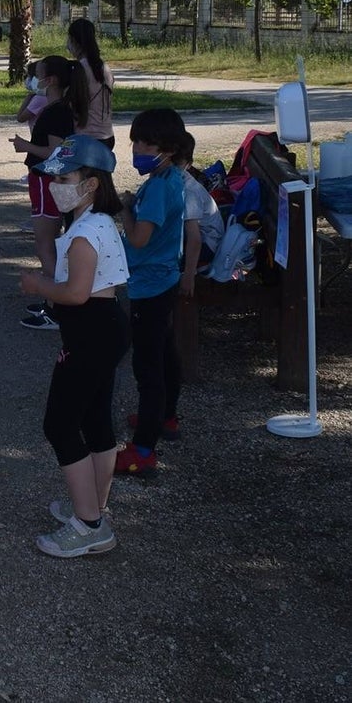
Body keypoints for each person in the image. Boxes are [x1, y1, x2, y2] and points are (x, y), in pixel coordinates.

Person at [18, 135, 129, 557]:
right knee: (97, 421)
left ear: (92, 184)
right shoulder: (95, 223)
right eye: (53, 178)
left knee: (60, 424)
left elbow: (77, 293)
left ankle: (88, 524)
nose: (55, 185)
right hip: (104, 330)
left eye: (64, 177)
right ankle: (93, 507)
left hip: (91, 334)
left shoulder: (85, 232)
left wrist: (39, 284)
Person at [116, 109, 187, 475]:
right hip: (163, 279)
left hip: (149, 284)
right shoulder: (169, 177)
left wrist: (126, 209)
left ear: (169, 149)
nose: (138, 148)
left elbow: (139, 239)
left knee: (148, 367)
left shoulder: (160, 186)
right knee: (164, 351)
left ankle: (143, 449)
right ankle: (166, 416)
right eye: (136, 141)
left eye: (147, 143)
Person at [12, 56, 89, 331]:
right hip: (44, 181)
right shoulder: (58, 108)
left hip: (47, 182)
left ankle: (58, 309)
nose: (34, 79)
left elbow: (56, 153)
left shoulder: (57, 111)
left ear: (51, 80)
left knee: (45, 246)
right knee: (49, 244)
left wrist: (26, 146)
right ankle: (53, 300)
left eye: (39, 75)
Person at [177, 131, 223, 293]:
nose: (172, 168)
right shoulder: (174, 183)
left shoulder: (189, 192)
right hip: (196, 239)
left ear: (188, 164)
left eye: (177, 163)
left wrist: (189, 275)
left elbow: (195, 238)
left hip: (207, 245)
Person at [67, 19, 115, 150]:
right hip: (107, 134)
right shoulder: (104, 67)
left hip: (85, 136)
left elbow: (72, 103)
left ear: (74, 41)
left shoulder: (79, 69)